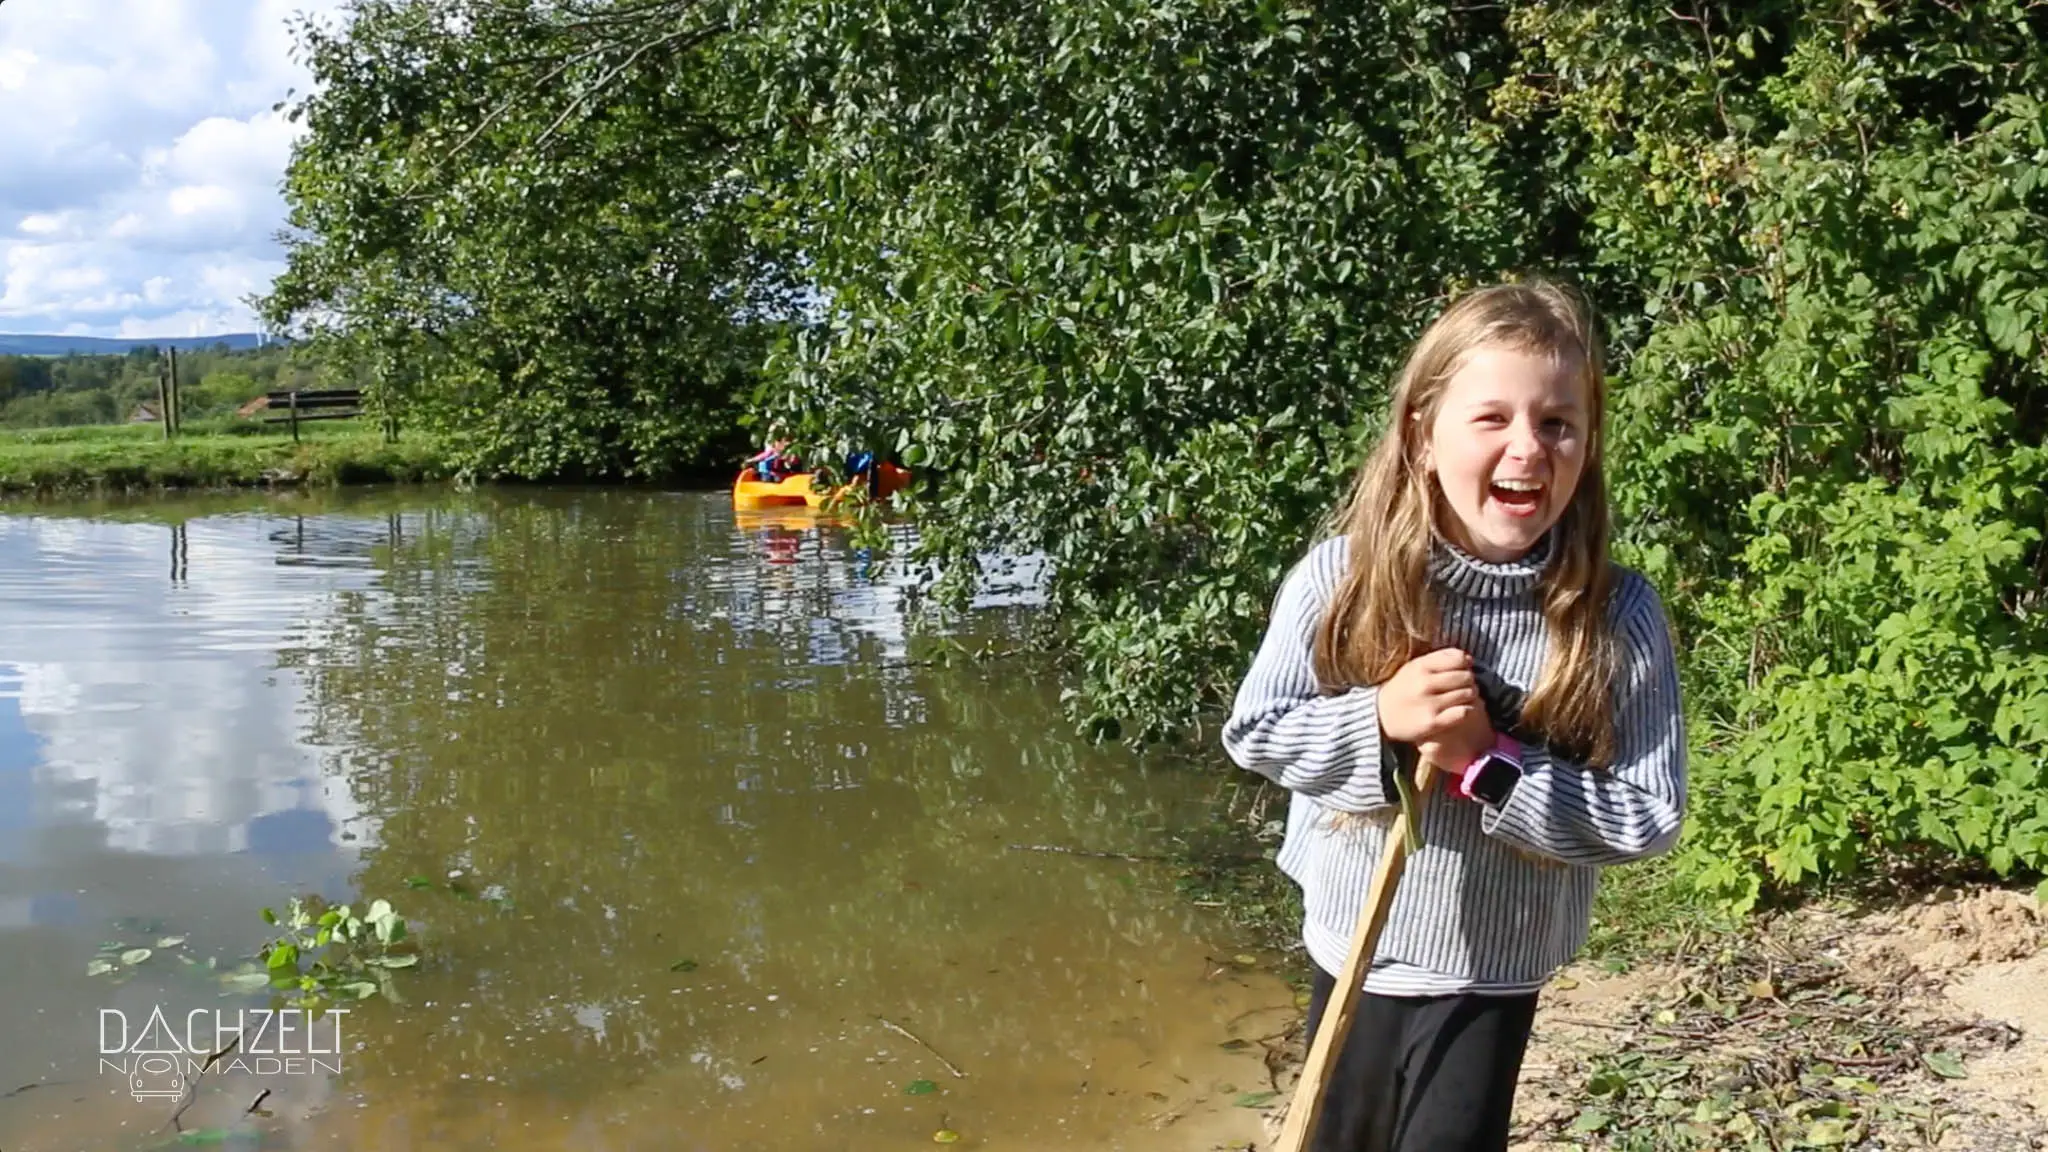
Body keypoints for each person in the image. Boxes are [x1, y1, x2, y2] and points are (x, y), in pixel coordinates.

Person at [1220, 278, 1686, 1152]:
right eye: (1492, 418)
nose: (1528, 447)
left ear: (1588, 444)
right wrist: (1379, 719)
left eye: (1558, 423)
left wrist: (1489, 762)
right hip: (1355, 948)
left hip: (1492, 974)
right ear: (1421, 436)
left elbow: (1648, 816)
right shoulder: (1342, 579)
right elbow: (1257, 732)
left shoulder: (1616, 614)